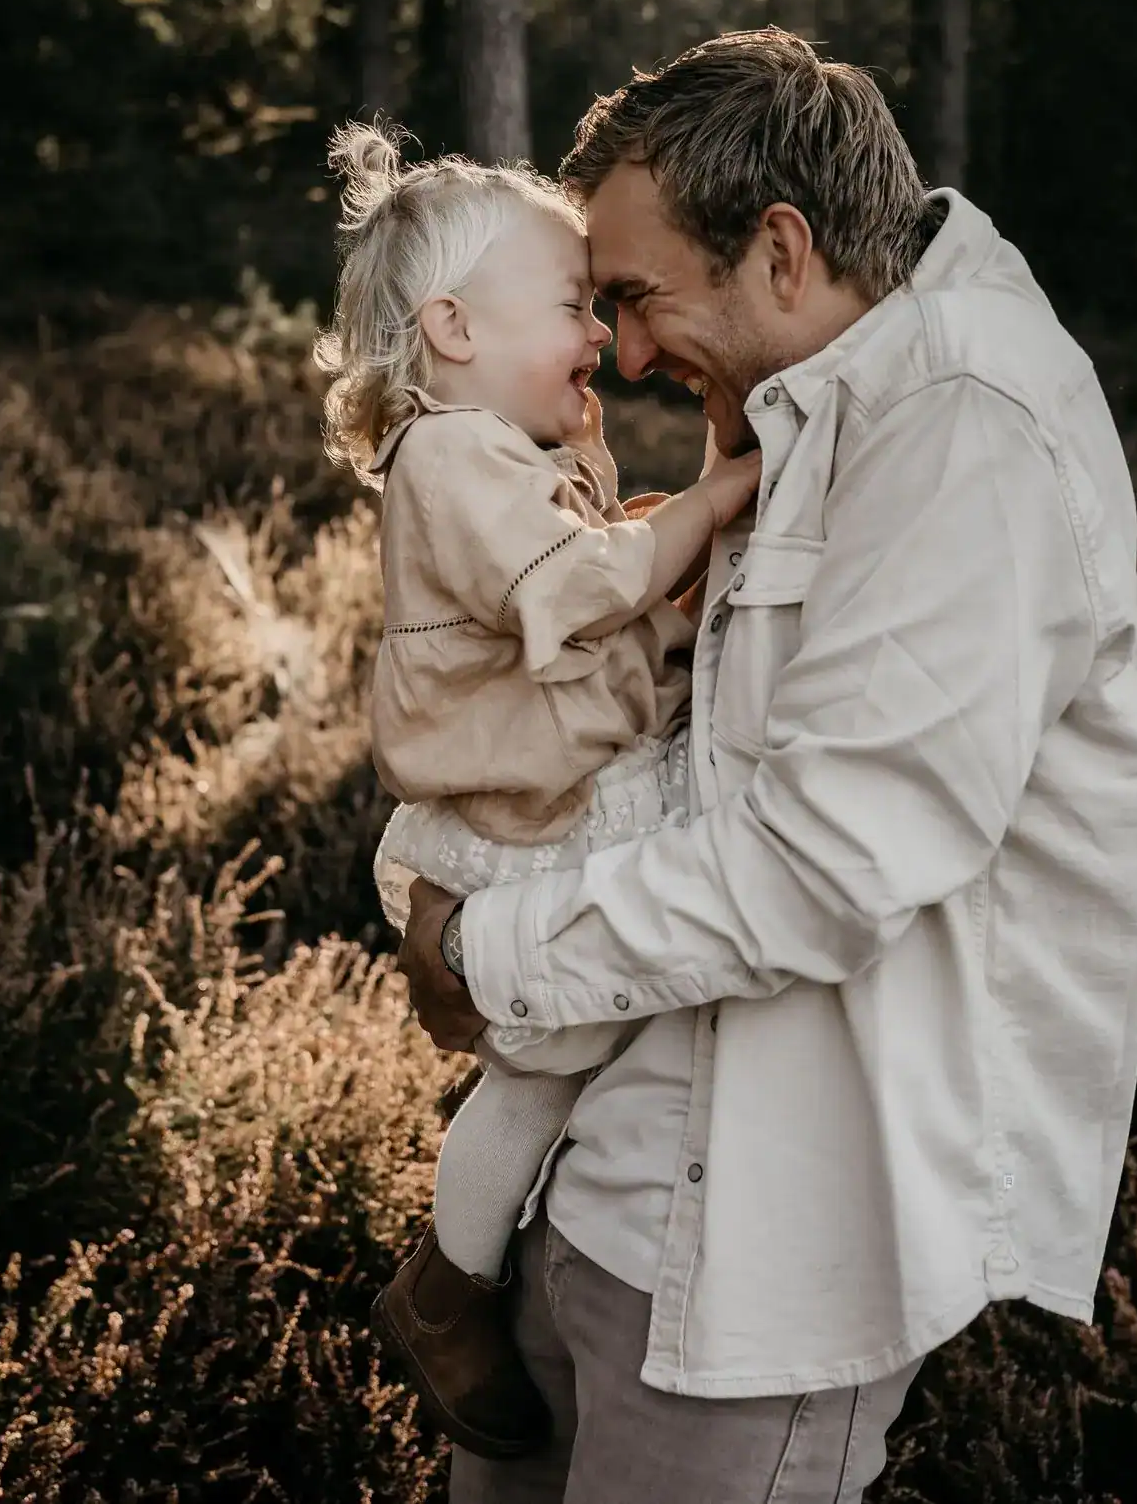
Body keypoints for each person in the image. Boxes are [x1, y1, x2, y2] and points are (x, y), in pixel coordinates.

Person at [396, 28, 1137, 1504]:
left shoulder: (963, 435)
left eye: (634, 298)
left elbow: (819, 864)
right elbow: (704, 776)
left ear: (782, 247)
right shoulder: (809, 399)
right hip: (603, 1187)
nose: (617, 353)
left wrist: (484, 943)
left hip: (757, 1273)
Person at [312, 124, 761, 1462]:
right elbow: (577, 590)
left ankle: (499, 1254)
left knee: (575, 1059)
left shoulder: (518, 448)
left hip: (563, 795)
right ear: (452, 327)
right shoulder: (451, 457)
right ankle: (445, 1287)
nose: (600, 335)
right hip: (520, 823)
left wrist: (667, 529)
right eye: (572, 302)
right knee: (549, 1056)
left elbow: (601, 578)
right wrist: (728, 491)